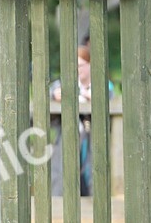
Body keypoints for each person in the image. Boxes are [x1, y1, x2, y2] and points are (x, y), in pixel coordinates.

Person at [49, 46, 114, 196]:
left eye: (80, 65)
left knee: (92, 175)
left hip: (93, 139)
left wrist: (94, 98)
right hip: (67, 138)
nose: (77, 69)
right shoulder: (63, 84)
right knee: (61, 173)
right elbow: (50, 92)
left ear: (90, 65)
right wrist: (54, 96)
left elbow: (110, 98)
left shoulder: (102, 85)